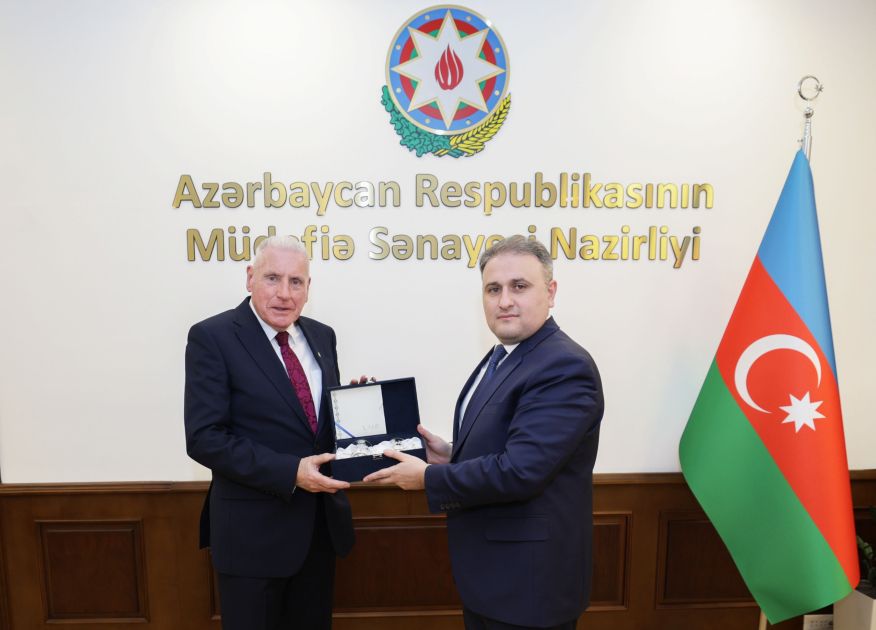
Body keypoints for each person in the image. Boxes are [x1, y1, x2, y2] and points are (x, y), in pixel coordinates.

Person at [364, 235, 604, 630]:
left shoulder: (563, 366)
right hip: (496, 581)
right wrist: (449, 454)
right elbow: (512, 444)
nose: (504, 300)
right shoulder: (506, 355)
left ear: (550, 292)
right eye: (493, 289)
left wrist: (428, 477)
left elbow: (521, 471)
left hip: (529, 590)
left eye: (519, 286)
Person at [184, 235, 356, 630]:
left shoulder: (322, 336)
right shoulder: (213, 337)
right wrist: (290, 471)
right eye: (272, 278)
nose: (284, 293)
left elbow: (314, 424)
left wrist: (357, 409)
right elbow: (204, 437)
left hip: (318, 535)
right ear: (250, 278)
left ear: (308, 287)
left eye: (296, 282)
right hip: (251, 541)